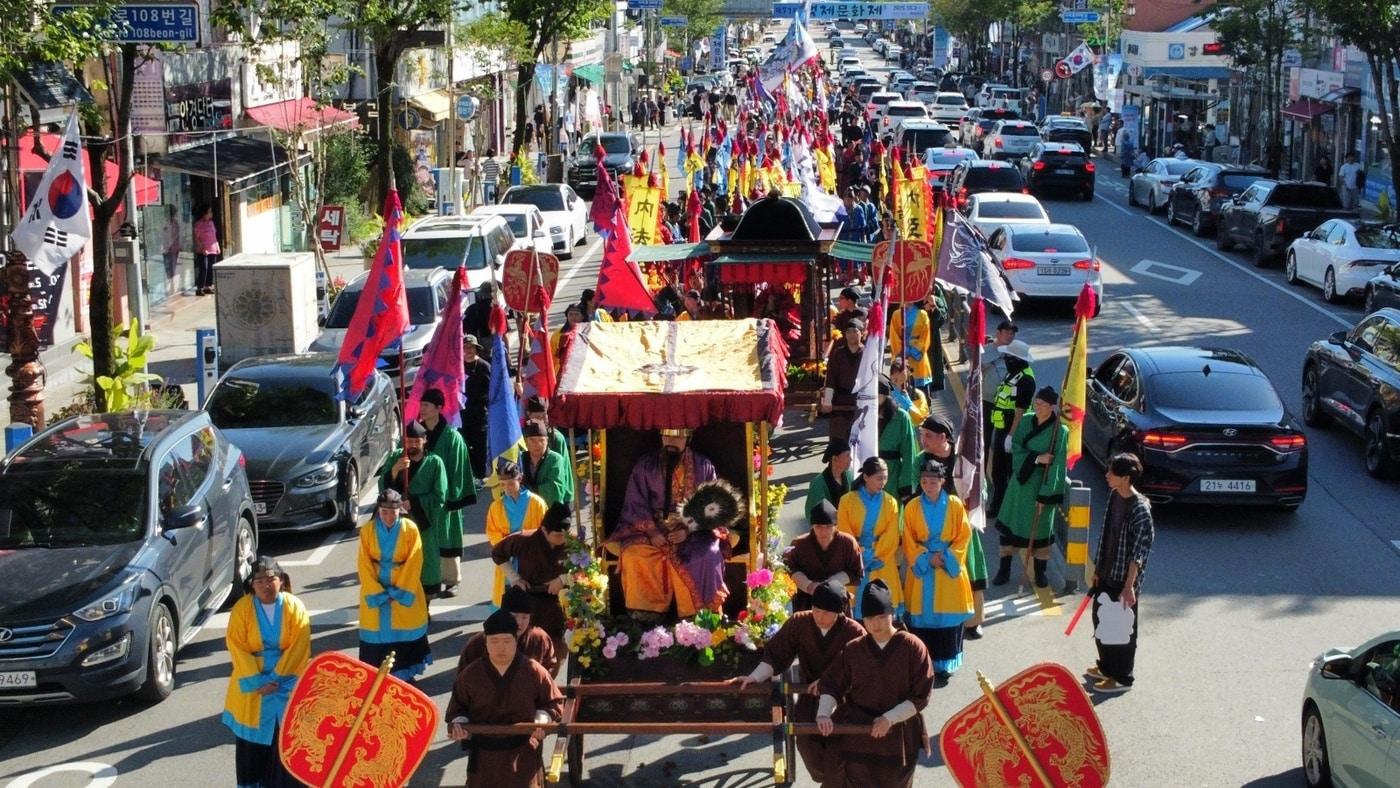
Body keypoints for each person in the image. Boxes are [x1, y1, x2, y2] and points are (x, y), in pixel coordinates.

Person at [731, 581, 864, 783]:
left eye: (826, 613)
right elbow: (776, 655)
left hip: (845, 700)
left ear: (839, 612)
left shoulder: (854, 632)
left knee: (840, 747)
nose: (819, 616)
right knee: (804, 739)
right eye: (816, 610)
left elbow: (858, 668)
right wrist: (754, 677)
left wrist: (828, 681)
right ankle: (828, 779)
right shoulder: (799, 622)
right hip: (809, 696)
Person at [814, 580, 934, 788]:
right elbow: (832, 684)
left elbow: (921, 696)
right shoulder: (854, 649)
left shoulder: (913, 647)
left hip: (898, 735)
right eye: (870, 618)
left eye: (881, 617)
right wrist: (824, 712)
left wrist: (889, 718)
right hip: (860, 734)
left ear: (892, 615)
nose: (876, 624)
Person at [446, 608, 565, 787]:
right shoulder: (471, 674)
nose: (501, 647)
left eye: (507, 641)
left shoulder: (533, 670)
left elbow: (553, 703)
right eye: (494, 641)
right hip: (484, 753)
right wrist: (459, 725)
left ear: (516, 641)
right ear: (485, 643)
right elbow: (458, 707)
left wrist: (541, 720)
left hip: (523, 749)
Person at [612, 428, 722, 617]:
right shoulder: (646, 466)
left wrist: (688, 529)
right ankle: (646, 616)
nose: (671, 440)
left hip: (693, 532)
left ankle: (698, 617)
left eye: (677, 436)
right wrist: (653, 532)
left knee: (706, 555)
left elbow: (712, 504)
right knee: (634, 555)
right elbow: (635, 502)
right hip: (652, 531)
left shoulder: (703, 465)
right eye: (667, 435)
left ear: (688, 438)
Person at [222, 556, 311, 788]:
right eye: (259, 580)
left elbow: (299, 647)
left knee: (287, 744)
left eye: (270, 579)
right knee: (252, 749)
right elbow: (237, 647)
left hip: (287, 683)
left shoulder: (294, 607)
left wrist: (276, 679)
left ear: (281, 580)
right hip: (253, 686)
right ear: (252, 584)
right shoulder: (242, 609)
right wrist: (258, 681)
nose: (265, 585)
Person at [902, 459, 973, 687]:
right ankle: (923, 662)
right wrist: (925, 557)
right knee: (921, 619)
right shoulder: (912, 506)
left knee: (946, 621)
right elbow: (909, 539)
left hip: (946, 566)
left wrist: (946, 557)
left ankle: (944, 666)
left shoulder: (954, 504)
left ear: (942, 481)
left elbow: (963, 536)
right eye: (924, 481)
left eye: (933, 481)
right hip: (923, 567)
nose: (928, 485)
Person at [1088, 453, 1155, 694]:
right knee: (1102, 620)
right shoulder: (1114, 496)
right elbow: (1105, 533)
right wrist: (1097, 569)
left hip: (1123, 579)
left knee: (1121, 629)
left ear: (1126, 478)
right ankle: (1106, 667)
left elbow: (1139, 553)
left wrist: (1129, 586)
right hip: (1106, 572)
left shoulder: (1140, 509)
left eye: (1112, 472)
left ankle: (1122, 677)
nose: (1106, 475)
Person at [993, 386, 1069, 589]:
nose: (1036, 407)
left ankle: (1040, 572)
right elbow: (1016, 447)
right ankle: (1004, 568)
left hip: (1041, 484)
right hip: (1021, 481)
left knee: (1041, 530)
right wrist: (1036, 458)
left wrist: (1046, 496)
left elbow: (1058, 464)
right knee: (1010, 525)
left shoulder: (1059, 431)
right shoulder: (1026, 420)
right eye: (1035, 403)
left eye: (1041, 404)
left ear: (1052, 407)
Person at [918, 415, 987, 638]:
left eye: (928, 435)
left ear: (943, 437)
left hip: (961, 523)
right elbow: (912, 491)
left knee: (971, 571)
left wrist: (974, 503)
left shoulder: (963, 459)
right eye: (922, 435)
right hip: (931, 528)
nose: (924, 440)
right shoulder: (919, 461)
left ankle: (972, 621)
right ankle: (934, 619)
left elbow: (980, 487)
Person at [358, 489, 432, 682]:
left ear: (400, 510)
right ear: (378, 510)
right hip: (376, 587)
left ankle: (406, 676)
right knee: (376, 637)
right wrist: (379, 593)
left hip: (404, 585)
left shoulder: (410, 529)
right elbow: (364, 565)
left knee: (404, 634)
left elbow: (415, 561)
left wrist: (398, 592)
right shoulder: (367, 531)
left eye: (393, 511)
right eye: (384, 511)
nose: (389, 516)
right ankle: (378, 677)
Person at [380, 420, 450, 597]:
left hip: (423, 520)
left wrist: (415, 502)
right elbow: (383, 486)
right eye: (409, 441)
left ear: (424, 440)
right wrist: (395, 470)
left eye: (416, 441)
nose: (412, 445)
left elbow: (439, 495)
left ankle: (425, 603)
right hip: (397, 523)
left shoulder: (435, 462)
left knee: (425, 562)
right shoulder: (397, 457)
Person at [492, 501, 571, 657]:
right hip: (529, 601)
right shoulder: (524, 539)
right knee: (527, 649)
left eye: (565, 535)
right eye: (558, 535)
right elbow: (497, 553)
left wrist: (564, 579)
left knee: (556, 652)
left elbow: (589, 567)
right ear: (544, 530)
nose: (563, 539)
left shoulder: (573, 543)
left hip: (559, 604)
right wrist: (515, 578)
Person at [419, 389, 476, 597]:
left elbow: (457, 469)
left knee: (448, 536)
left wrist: (453, 497)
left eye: (426, 405)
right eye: (421, 404)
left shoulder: (452, 437)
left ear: (439, 408)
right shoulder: (417, 433)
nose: (422, 409)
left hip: (445, 498)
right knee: (425, 539)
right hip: (422, 498)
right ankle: (427, 577)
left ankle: (452, 579)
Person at [836, 458, 903, 618]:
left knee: (883, 610)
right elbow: (844, 532)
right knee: (855, 611)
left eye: (885, 478)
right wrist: (860, 554)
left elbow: (892, 535)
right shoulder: (847, 501)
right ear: (866, 477)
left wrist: (873, 554)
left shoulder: (890, 502)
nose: (883, 482)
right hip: (854, 559)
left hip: (882, 560)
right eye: (879, 478)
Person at [457, 586, 560, 678]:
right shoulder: (478, 643)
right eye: (514, 616)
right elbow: (463, 682)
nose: (519, 622)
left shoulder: (539, 639)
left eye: (525, 617)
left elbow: (549, 673)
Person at [486, 459, 548, 609]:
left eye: (511, 483)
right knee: (510, 603)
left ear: (520, 478)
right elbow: (493, 534)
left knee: (533, 602)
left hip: (532, 557)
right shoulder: (496, 506)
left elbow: (545, 531)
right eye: (503, 484)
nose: (507, 488)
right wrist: (507, 545)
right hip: (507, 558)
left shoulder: (537, 503)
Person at [786, 500, 864, 612]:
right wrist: (809, 585)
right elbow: (789, 569)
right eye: (818, 526)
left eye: (828, 526)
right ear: (812, 526)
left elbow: (856, 571)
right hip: (806, 601)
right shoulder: (799, 544)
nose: (823, 532)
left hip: (836, 599)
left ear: (835, 525)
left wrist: (831, 583)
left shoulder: (848, 543)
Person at [988, 339, 1035, 518]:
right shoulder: (1013, 373)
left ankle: (1008, 511)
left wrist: (1011, 436)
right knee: (998, 471)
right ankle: (999, 507)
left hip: (1013, 432)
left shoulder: (1026, 380)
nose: (1005, 359)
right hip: (1002, 429)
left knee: (1009, 473)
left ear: (1017, 359)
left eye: (1008, 356)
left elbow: (1020, 411)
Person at [822, 319, 865, 441]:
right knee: (838, 441)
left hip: (860, 402)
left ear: (862, 333)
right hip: (840, 402)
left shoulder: (867, 354)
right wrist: (828, 401)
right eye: (848, 332)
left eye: (855, 331)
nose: (851, 335)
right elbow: (831, 379)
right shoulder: (837, 354)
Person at [876, 380, 919, 500]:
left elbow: (909, 452)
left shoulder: (901, 417)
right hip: (868, 474)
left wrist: (906, 484)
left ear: (884, 395)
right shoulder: (864, 414)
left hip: (892, 475)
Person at [519, 421, 573, 507]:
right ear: (526, 442)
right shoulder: (521, 459)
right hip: (526, 512)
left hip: (551, 510)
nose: (537, 444)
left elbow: (555, 491)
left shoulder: (555, 459)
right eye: (532, 440)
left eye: (541, 440)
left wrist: (527, 490)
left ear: (547, 441)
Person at [461, 334, 492, 480]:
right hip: (461, 415)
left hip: (480, 414)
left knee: (480, 447)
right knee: (464, 446)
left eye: (470, 347)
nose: (468, 350)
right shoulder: (457, 368)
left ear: (476, 349)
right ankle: (468, 476)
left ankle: (480, 476)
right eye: (465, 347)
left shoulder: (484, 367)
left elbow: (492, 391)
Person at [889, 301, 933, 397]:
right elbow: (893, 336)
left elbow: (925, 337)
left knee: (921, 393)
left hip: (918, 358)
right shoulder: (896, 314)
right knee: (901, 386)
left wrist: (911, 351)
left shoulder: (923, 314)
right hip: (901, 358)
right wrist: (903, 350)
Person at [804, 436, 853, 521]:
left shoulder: (850, 477)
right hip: (828, 528)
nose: (851, 459)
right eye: (847, 455)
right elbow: (814, 512)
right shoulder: (818, 483)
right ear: (835, 459)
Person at [888, 359, 929, 428]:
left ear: (907, 375)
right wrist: (897, 389)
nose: (895, 376)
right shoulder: (886, 391)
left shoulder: (918, 394)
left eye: (899, 373)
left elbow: (920, 418)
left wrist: (906, 400)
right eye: (893, 373)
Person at [193, 205, 221, 296]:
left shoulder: (211, 223)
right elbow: (196, 238)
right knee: (203, 268)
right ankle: (200, 288)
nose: (211, 214)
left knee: (210, 268)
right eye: (209, 212)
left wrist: (217, 246)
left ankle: (208, 286)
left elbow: (214, 235)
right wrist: (202, 248)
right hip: (203, 250)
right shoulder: (198, 224)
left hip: (212, 248)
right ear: (204, 214)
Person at [162, 204, 182, 287]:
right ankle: (170, 282)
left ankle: (172, 283)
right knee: (168, 266)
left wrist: (168, 245)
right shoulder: (167, 222)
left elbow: (174, 236)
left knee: (171, 266)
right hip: (168, 248)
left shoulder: (174, 223)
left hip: (171, 248)